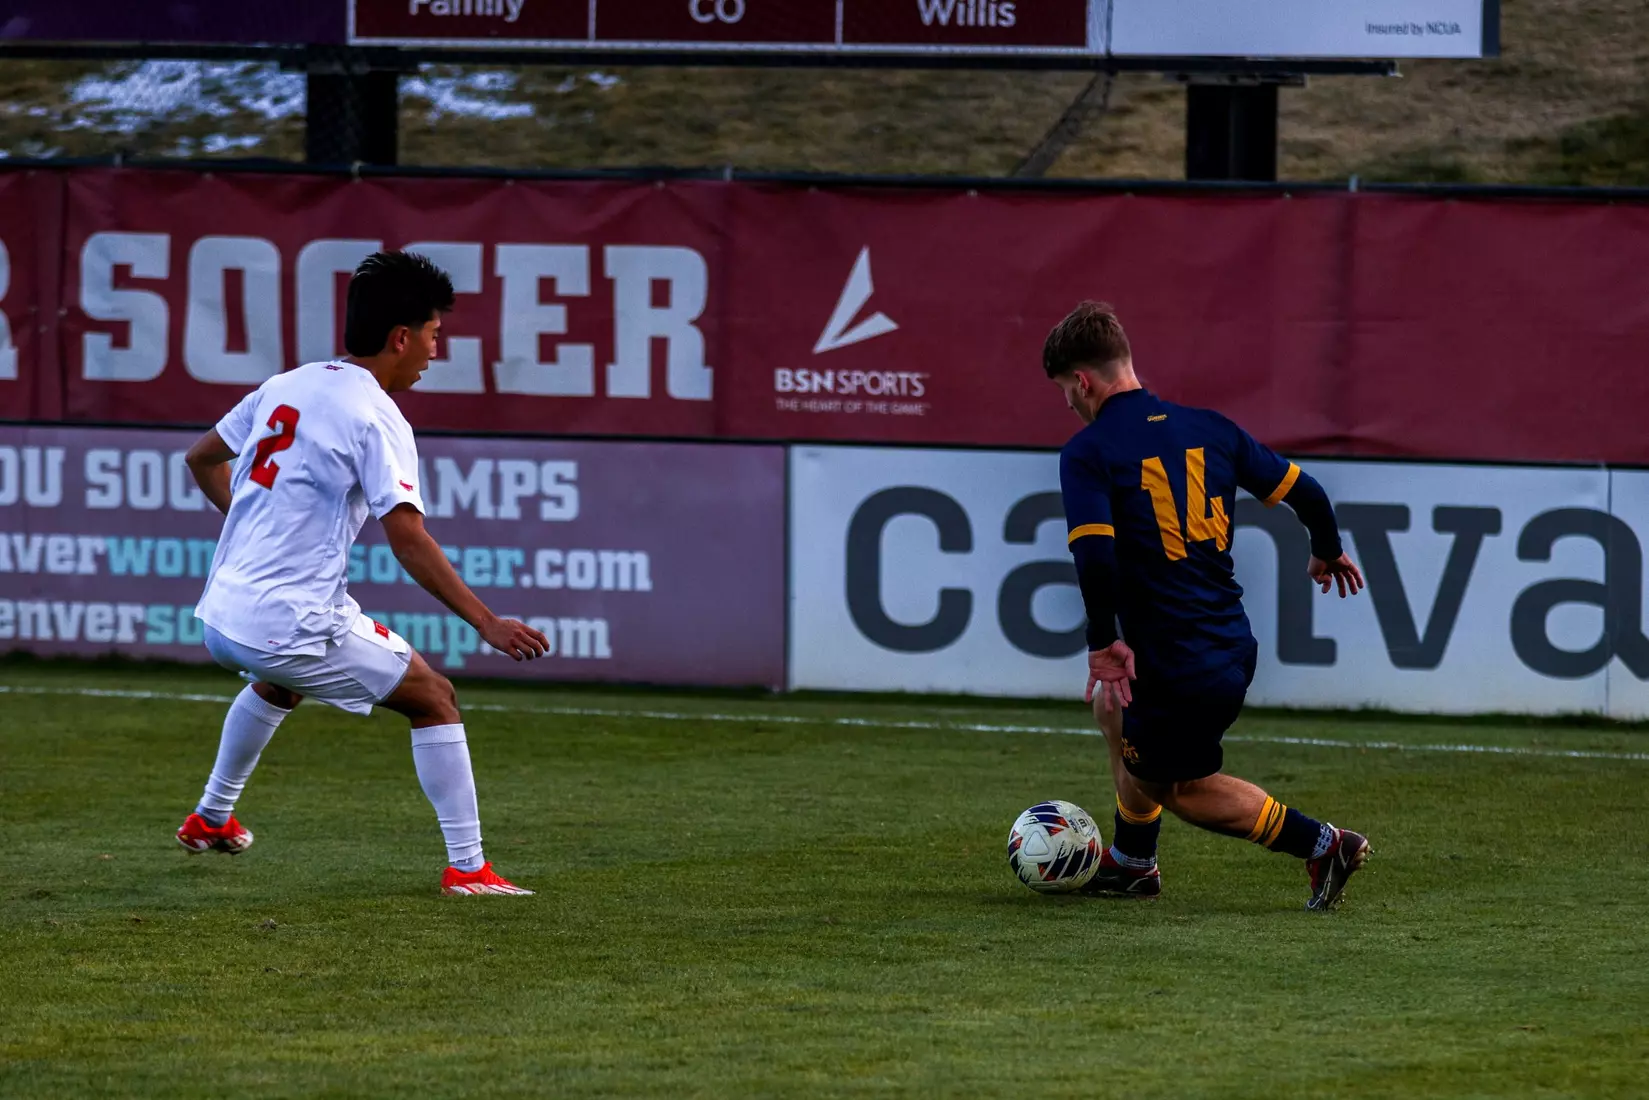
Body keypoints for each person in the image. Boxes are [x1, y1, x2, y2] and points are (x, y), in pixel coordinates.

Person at [174, 250, 549, 897]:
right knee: (434, 697)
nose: (436, 350)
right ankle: (469, 870)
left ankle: (210, 819)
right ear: (400, 337)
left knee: (281, 682)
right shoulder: (375, 414)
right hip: (286, 621)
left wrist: (250, 530)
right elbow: (407, 540)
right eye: (433, 334)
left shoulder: (288, 384)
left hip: (222, 613)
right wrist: (486, 621)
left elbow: (202, 457)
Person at [1045, 301, 1370, 910]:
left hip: (1176, 658)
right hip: (1223, 644)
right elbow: (1308, 491)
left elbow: (1096, 558)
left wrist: (1101, 642)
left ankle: (1324, 844)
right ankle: (1134, 862)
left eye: (1066, 390)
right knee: (1112, 708)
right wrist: (1325, 550)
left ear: (1082, 381)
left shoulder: (1087, 451)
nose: (1069, 402)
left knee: (1180, 788)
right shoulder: (1212, 428)